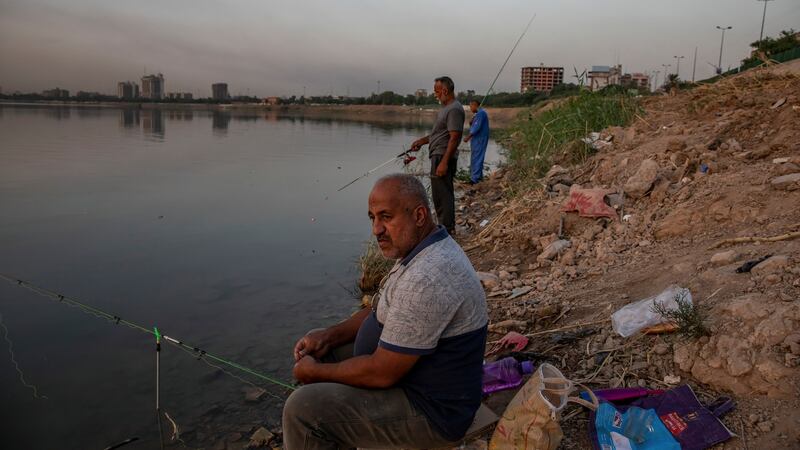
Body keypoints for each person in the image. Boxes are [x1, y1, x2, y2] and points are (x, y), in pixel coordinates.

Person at [282, 174, 488, 450]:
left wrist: (316, 374)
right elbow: (378, 312)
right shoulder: (419, 249)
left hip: (431, 413)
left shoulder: (428, 276)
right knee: (321, 352)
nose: (376, 229)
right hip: (411, 379)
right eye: (372, 218)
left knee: (303, 410)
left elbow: (382, 373)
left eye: (386, 217)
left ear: (419, 215)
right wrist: (329, 336)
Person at [409, 76, 465, 235]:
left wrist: (444, 162)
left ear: (445, 91)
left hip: (442, 156)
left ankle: (447, 229)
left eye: (436, 91)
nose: (435, 94)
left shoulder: (454, 109)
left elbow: (454, 138)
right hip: (438, 155)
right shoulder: (447, 108)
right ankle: (444, 226)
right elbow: (439, 134)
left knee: (443, 194)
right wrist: (422, 141)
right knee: (438, 194)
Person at [463, 100, 490, 184]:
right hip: (477, 139)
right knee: (476, 157)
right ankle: (478, 177)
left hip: (480, 139)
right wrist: (471, 122)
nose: (470, 108)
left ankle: (474, 179)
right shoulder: (478, 114)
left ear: (475, 105)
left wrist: (468, 137)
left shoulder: (481, 114)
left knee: (477, 157)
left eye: (471, 106)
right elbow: (474, 125)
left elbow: (476, 128)